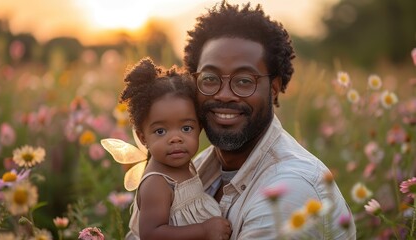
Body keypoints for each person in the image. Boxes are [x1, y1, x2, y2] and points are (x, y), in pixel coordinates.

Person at [183, 1, 356, 239]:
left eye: (244, 81)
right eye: (210, 78)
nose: (223, 94)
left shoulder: (289, 191)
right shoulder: (198, 168)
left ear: (273, 88)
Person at [102, 58, 231, 240]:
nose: (175, 138)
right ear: (142, 137)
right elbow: (151, 234)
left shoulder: (185, 165)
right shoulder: (157, 183)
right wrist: (204, 231)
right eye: (160, 131)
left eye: (186, 128)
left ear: (199, 128)